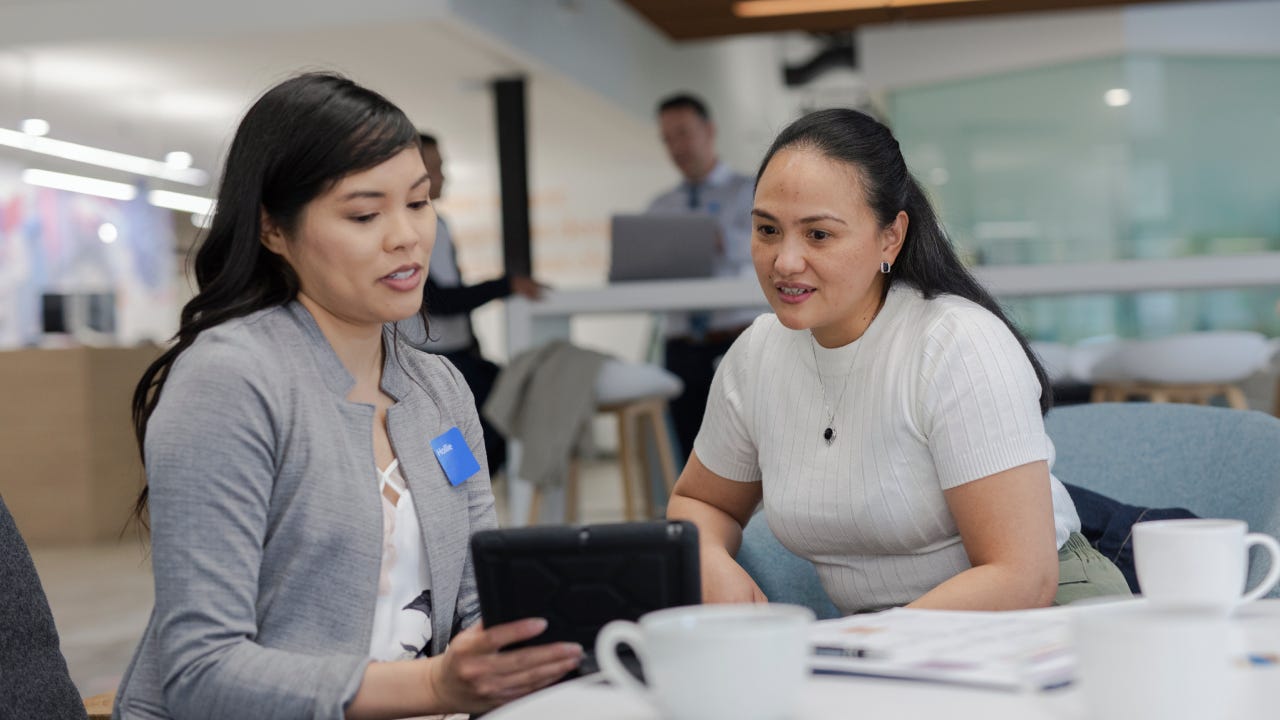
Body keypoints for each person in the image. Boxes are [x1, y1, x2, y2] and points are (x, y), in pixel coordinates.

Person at [114, 73, 581, 720]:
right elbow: (203, 672)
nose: (406, 237)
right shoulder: (230, 382)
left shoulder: (437, 388)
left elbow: (479, 599)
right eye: (365, 214)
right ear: (273, 229)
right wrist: (436, 688)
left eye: (418, 204)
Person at [667, 108, 1130, 615]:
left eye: (818, 234)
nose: (785, 261)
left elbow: (1021, 577)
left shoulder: (956, 343)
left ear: (890, 236)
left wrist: (861, 648)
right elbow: (703, 501)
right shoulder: (757, 355)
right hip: (888, 640)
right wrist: (710, 558)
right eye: (767, 230)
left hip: (1036, 614)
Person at [403, 133, 547, 474]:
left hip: (458, 356)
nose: (443, 177)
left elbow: (452, 297)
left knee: (500, 409)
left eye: (441, 168)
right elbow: (436, 299)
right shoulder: (405, 229)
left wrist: (473, 347)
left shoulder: (439, 224)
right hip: (426, 360)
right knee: (452, 451)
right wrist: (505, 285)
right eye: (435, 168)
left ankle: (472, 495)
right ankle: (459, 499)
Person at [647, 93, 756, 459]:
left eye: (683, 133)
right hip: (681, 347)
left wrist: (718, 238)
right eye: (667, 138)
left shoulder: (751, 191)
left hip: (737, 339)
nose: (676, 146)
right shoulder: (660, 207)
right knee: (692, 455)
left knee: (749, 453)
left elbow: (768, 246)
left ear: (709, 131)